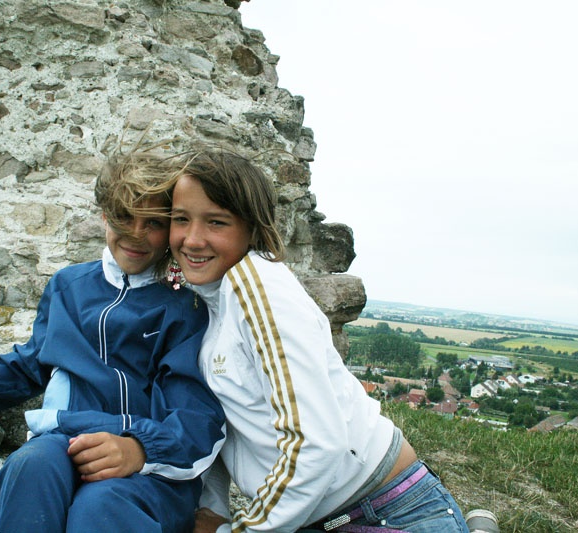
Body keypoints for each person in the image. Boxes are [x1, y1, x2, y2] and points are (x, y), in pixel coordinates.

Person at [0, 152, 226, 533]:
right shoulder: (69, 287)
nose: (136, 233)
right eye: (123, 217)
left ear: (170, 229)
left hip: (148, 465)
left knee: (100, 506)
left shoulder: (185, 308)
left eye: (153, 223)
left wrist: (139, 448)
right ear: (104, 215)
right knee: (29, 466)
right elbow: (31, 362)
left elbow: (196, 414)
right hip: (64, 438)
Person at [167, 150, 469, 533]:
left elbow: (316, 441)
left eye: (216, 222)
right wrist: (214, 511)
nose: (193, 239)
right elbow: (220, 424)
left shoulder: (255, 287)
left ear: (252, 228)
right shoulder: (210, 303)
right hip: (326, 517)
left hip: (389, 511)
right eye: (181, 219)